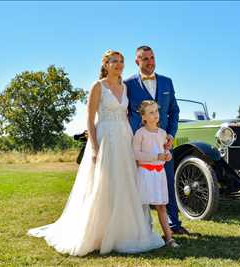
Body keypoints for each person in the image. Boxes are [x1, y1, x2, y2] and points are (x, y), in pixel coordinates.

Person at [27, 50, 164, 256]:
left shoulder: (124, 87)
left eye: (121, 61)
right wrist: (94, 147)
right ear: (105, 64)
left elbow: (127, 115)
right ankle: (98, 233)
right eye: (114, 61)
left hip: (124, 138)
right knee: (103, 183)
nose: (118, 65)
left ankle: (124, 232)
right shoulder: (98, 86)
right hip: (105, 138)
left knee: (125, 183)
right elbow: (90, 120)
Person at [125, 45, 189, 235]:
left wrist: (170, 134)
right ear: (137, 61)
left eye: (152, 57)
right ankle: (141, 229)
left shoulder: (167, 82)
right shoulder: (128, 84)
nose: (150, 62)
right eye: (145, 59)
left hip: (164, 143)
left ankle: (174, 225)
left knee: (168, 183)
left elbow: (174, 111)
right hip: (141, 145)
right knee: (139, 187)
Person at [133, 100, 180, 248]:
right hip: (145, 173)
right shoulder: (140, 133)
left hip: (159, 174)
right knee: (142, 205)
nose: (155, 115)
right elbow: (135, 154)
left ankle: (169, 238)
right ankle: (142, 235)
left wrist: (167, 155)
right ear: (143, 117)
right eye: (151, 112)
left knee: (161, 206)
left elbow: (165, 151)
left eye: (156, 111)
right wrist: (156, 157)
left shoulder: (162, 133)